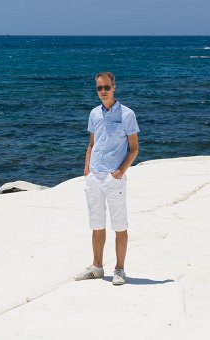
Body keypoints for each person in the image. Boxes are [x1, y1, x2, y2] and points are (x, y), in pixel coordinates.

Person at [75, 71, 140, 285]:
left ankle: (120, 270)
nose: (102, 91)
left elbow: (134, 149)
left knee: (119, 225)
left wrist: (120, 172)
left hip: (114, 179)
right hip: (94, 176)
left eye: (106, 87)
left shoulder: (127, 114)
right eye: (99, 88)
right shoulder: (94, 114)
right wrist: (87, 169)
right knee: (96, 224)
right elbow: (92, 144)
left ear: (114, 87)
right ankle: (97, 267)